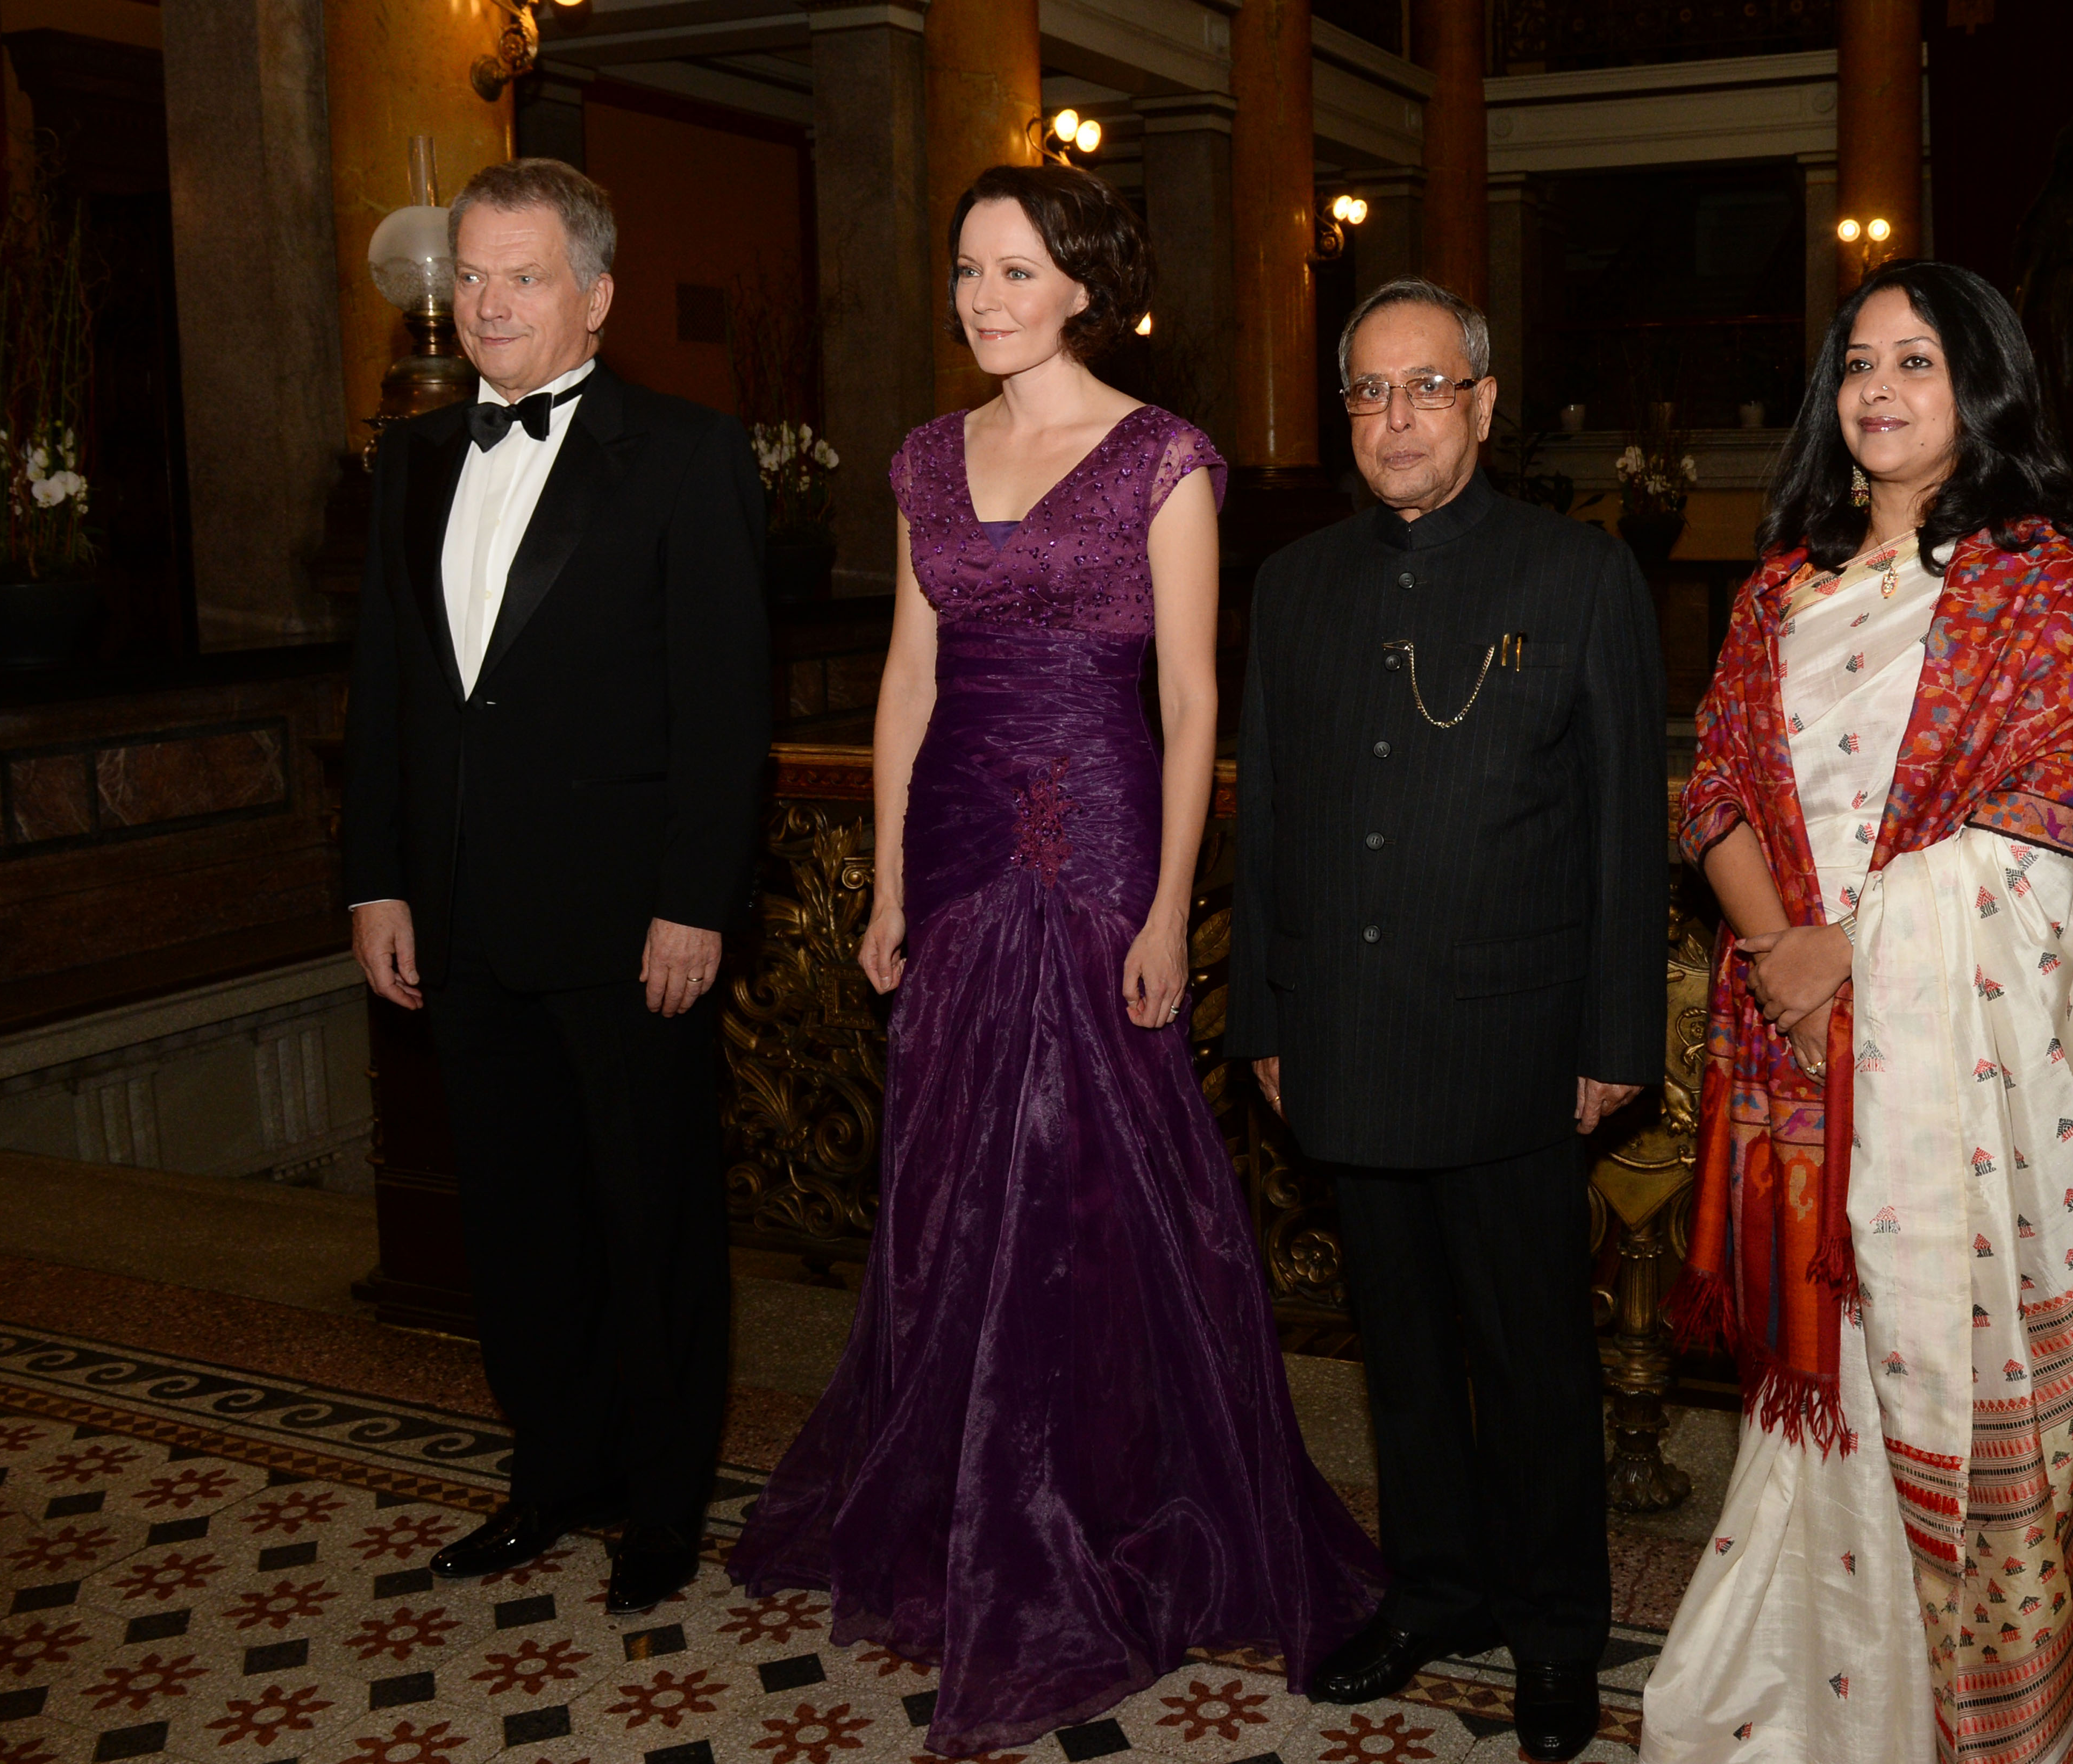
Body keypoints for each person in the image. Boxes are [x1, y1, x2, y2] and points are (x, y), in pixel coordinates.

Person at [726, 163, 1381, 1756]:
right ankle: (961, 1503)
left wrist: (1165, 910)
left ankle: (1108, 1498)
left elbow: (1193, 701)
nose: (984, 298)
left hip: (1095, 842)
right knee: (956, 1167)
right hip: (955, 839)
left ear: (1086, 286)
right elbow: (906, 681)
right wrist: (890, 881)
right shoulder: (923, 458)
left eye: (1016, 270)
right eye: (969, 269)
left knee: (1094, 1173)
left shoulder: (1165, 457)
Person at [1639, 260, 2073, 1763]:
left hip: (1965, 1081)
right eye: (1859, 363)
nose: (1877, 390)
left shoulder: (2042, 586)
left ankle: (1969, 1719)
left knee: (1945, 1378)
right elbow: (1715, 789)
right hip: (1800, 1047)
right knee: (1817, 1396)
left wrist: (1851, 951)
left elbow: (2043, 835)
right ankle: (1807, 1704)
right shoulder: (1781, 589)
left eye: (1918, 362)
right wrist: (1784, 959)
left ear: (1983, 387)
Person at [1227, 276, 1671, 1761]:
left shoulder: (1579, 575)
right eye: (1369, 391)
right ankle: (1434, 1589)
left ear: (1481, 404)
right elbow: (1270, 820)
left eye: (1426, 387)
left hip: (1515, 1043)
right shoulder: (1297, 584)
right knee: (1402, 1352)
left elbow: (1626, 829)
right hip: (1344, 1035)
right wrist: (1266, 1013)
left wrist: (1617, 1038)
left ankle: (1555, 1632)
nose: (1396, 418)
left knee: (1533, 1362)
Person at [342, 159, 771, 1616]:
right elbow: (389, 689)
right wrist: (378, 879)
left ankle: (663, 1499)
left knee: (649, 1220)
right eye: (470, 275)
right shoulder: (410, 458)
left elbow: (724, 706)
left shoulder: (688, 454)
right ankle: (554, 1472)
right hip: (458, 918)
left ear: (594, 295)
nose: (487, 303)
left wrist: (695, 899)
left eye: (522, 276)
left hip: (628, 921)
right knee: (516, 1222)